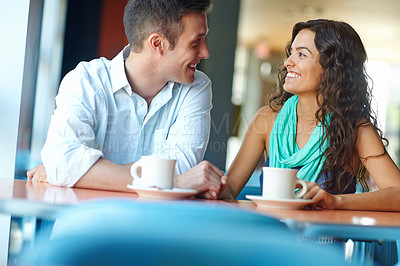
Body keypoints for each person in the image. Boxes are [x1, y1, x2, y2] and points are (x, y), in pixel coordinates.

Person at [27, 0, 225, 199]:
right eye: (195, 42)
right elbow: (180, 178)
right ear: (157, 43)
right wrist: (172, 182)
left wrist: (79, 172)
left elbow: (182, 168)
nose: (205, 52)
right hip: (86, 226)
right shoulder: (85, 81)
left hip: (156, 227)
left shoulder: (196, 87)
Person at [221, 19, 400, 210]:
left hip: (322, 239)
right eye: (291, 53)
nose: (288, 62)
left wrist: (336, 201)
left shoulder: (355, 129)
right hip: (270, 236)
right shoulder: (266, 119)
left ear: (332, 67)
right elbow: (229, 190)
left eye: (301, 54)